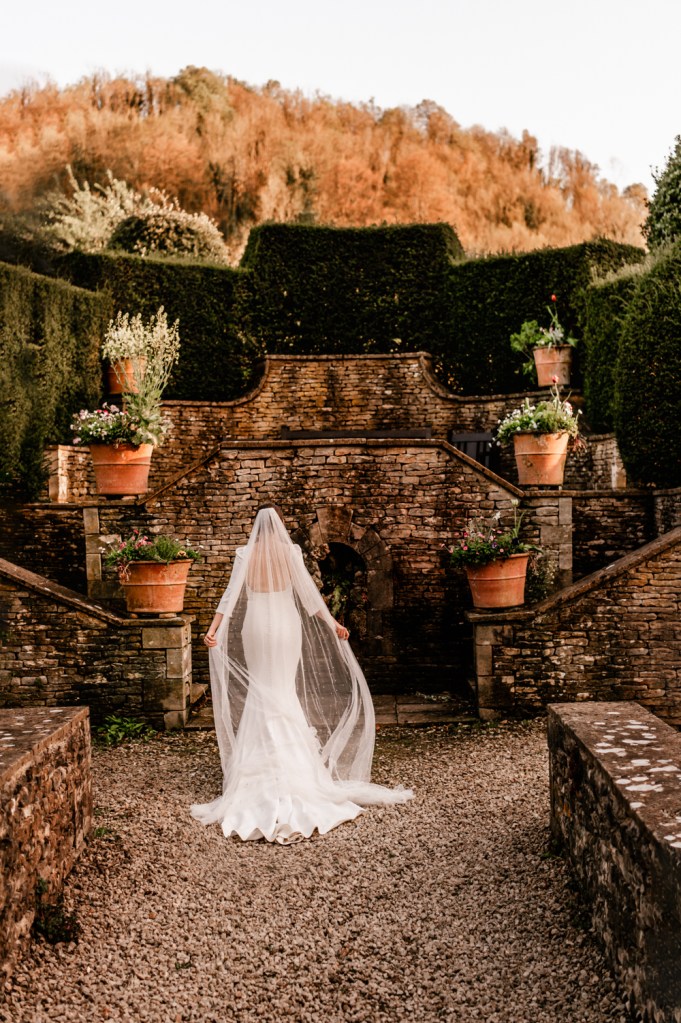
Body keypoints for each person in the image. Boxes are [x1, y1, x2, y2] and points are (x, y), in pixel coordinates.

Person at [190, 504, 413, 844]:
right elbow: (310, 598)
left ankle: (259, 766)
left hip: (257, 625)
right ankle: (296, 766)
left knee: (262, 689)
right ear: (278, 526)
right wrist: (334, 622)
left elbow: (230, 597)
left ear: (255, 528)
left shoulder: (245, 553)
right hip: (285, 626)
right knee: (282, 689)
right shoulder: (289, 551)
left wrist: (213, 630)